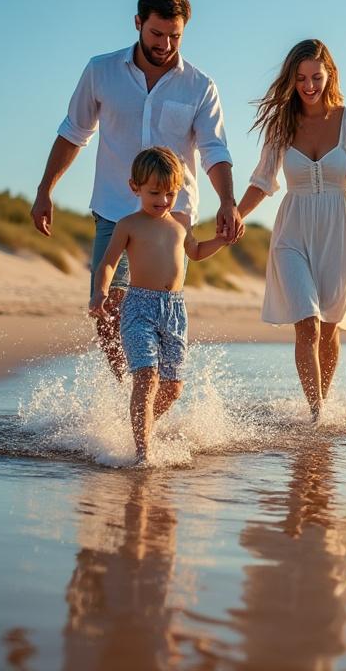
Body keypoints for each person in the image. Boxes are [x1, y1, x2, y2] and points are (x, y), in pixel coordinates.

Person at [32, 0, 245, 381]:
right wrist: (46, 189)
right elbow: (74, 132)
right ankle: (129, 394)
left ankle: (151, 394)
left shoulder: (200, 86)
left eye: (175, 35)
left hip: (171, 213)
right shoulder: (101, 71)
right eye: (157, 34)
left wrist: (228, 201)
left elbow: (214, 151)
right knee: (108, 309)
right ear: (138, 23)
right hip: (114, 208)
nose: (165, 44)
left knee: (156, 308)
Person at [236, 39, 346, 421]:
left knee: (329, 330)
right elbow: (262, 181)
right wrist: (234, 215)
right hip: (292, 229)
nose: (309, 86)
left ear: (329, 74)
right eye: (300, 79)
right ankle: (316, 416)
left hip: (339, 231)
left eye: (315, 77)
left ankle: (320, 407)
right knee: (307, 324)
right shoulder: (281, 123)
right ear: (292, 81)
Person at [90, 147, 227, 464]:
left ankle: (141, 423)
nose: (163, 201)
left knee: (173, 387)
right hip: (138, 309)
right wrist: (100, 292)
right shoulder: (128, 225)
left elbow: (196, 251)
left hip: (175, 312)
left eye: (170, 193)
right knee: (147, 377)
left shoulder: (180, 224)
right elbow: (108, 264)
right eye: (155, 193)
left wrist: (221, 241)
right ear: (134, 187)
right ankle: (143, 453)